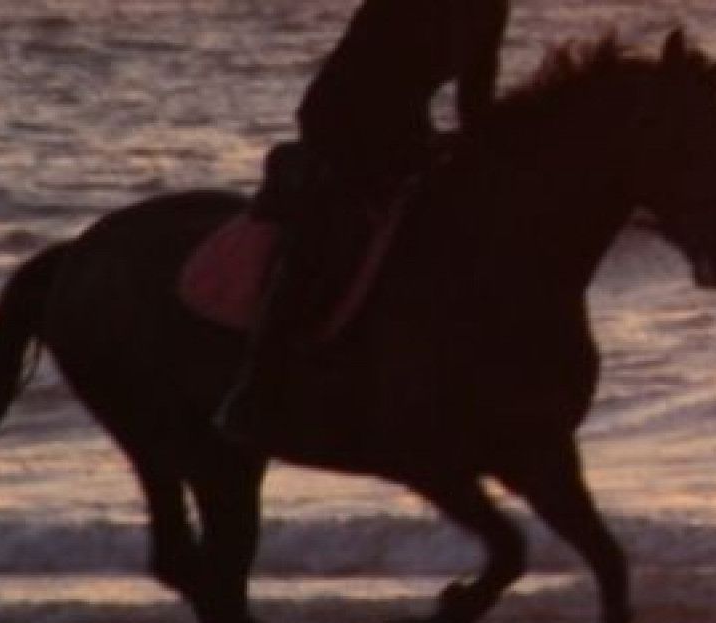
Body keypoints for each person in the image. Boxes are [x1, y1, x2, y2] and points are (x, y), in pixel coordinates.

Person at [218, 0, 512, 451]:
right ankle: (256, 389)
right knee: (330, 236)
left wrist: (484, 152)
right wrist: (417, 147)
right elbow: (374, 73)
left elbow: (477, 90)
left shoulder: (491, 7)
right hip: (341, 117)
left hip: (406, 126)